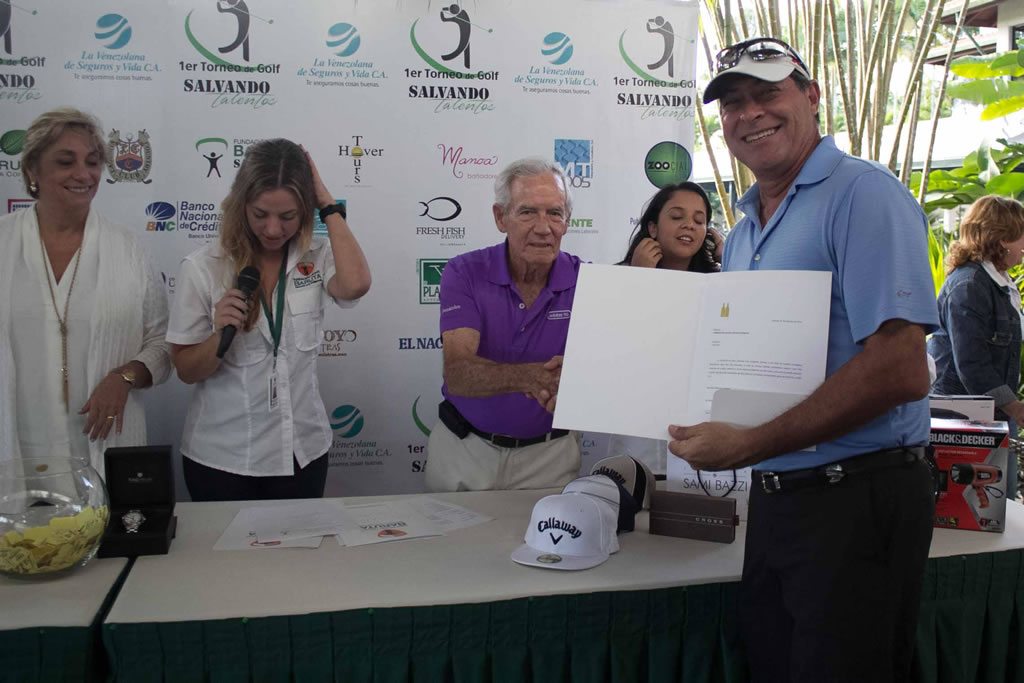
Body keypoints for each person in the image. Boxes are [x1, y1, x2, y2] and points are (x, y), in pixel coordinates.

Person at [670, 38, 938, 682]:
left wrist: (749, 443)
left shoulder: (863, 194)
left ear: (811, 96)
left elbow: (901, 368)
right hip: (779, 497)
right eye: (733, 103)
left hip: (858, 498)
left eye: (767, 93)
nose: (750, 114)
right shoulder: (742, 232)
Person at [167, 138, 371, 501]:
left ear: (305, 209)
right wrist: (218, 337)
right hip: (224, 460)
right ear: (241, 204)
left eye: (288, 216)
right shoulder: (202, 267)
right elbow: (186, 370)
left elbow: (356, 284)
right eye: (260, 214)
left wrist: (327, 204)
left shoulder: (317, 255)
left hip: (302, 454)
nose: (274, 229)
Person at [0, 107, 170, 476]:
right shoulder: (4, 241)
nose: (83, 174)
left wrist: (125, 376)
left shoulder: (128, 248)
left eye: (93, 162)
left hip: (105, 450)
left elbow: (162, 343)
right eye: (65, 162)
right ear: (32, 171)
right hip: (15, 455)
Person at [426, 158, 582, 492]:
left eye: (555, 213)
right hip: (466, 450)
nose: (543, 227)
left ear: (567, 222)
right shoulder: (464, 272)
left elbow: (609, 371)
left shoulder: (587, 280)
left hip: (551, 456)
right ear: (501, 217)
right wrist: (534, 377)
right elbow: (458, 374)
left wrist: (579, 383)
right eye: (528, 212)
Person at [609, 182, 720, 475]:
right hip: (638, 430)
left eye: (699, 220)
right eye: (677, 216)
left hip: (698, 428)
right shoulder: (617, 280)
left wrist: (730, 258)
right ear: (653, 228)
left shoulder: (719, 283)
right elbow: (612, 350)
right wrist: (640, 280)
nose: (689, 225)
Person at [929, 195, 1024, 499]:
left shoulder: (998, 283)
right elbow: (972, 364)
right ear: (1002, 238)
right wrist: (1015, 408)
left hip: (991, 414)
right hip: (964, 419)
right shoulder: (970, 285)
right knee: (984, 508)